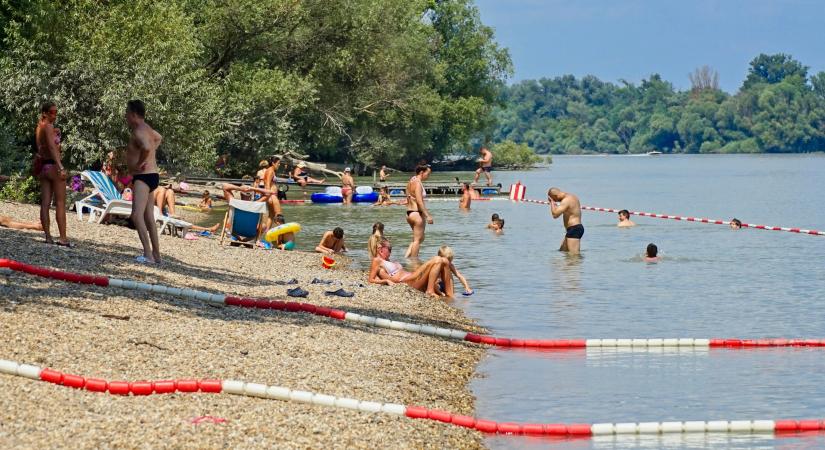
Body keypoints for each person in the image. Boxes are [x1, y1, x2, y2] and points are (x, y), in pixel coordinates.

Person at [125, 99, 163, 263]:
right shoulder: (147, 129)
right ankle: (157, 255)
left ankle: (148, 254)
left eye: (127, 113)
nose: (125, 116)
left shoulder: (139, 131)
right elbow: (158, 138)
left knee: (136, 215)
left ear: (133, 114)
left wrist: (140, 163)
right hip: (152, 175)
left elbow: (147, 148)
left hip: (143, 177)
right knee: (148, 216)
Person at [34, 101, 71, 247]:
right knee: (60, 202)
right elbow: (51, 146)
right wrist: (61, 166)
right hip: (53, 166)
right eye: (51, 112)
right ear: (44, 113)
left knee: (45, 203)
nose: (54, 115)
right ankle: (63, 238)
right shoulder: (48, 126)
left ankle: (48, 236)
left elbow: (43, 147)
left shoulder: (39, 127)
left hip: (43, 167)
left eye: (56, 112)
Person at [368, 238, 451, 297]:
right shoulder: (377, 260)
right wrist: (386, 280)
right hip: (409, 281)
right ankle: (430, 291)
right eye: (389, 249)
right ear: (380, 249)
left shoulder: (387, 261)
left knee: (445, 261)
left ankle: (450, 294)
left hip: (413, 277)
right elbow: (371, 280)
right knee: (437, 259)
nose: (391, 251)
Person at [405, 163, 433, 258]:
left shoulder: (411, 181)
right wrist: (427, 215)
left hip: (409, 213)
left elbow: (407, 193)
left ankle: (406, 257)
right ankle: (414, 262)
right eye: (428, 174)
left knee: (419, 238)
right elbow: (419, 201)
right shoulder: (417, 183)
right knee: (417, 240)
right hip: (416, 213)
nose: (428, 176)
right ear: (421, 172)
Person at [547, 187, 583, 255]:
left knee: (574, 256)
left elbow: (555, 215)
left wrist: (551, 202)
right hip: (573, 229)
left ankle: (577, 266)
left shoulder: (566, 200)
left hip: (574, 229)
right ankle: (566, 265)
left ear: (555, 196)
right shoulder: (572, 196)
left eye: (555, 199)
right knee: (562, 251)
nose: (556, 202)